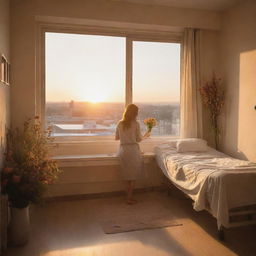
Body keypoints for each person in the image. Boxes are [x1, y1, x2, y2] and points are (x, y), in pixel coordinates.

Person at [115, 104, 150, 204]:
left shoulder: (120, 123)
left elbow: (116, 138)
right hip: (133, 151)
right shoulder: (136, 123)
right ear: (135, 113)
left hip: (123, 150)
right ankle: (129, 198)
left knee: (126, 176)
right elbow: (138, 139)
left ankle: (128, 196)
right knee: (133, 177)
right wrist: (145, 136)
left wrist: (125, 136)